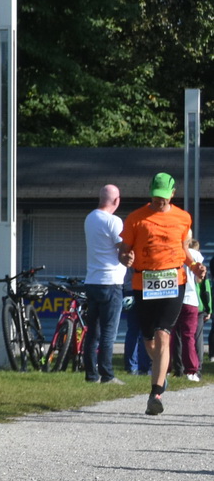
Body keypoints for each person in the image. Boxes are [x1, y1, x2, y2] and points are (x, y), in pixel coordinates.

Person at [118, 173, 197, 415]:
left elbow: (183, 248)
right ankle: (161, 370)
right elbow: (123, 250)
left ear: (172, 194)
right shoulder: (135, 218)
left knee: (164, 335)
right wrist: (126, 258)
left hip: (174, 281)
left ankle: (156, 393)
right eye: (155, 197)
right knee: (149, 339)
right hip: (144, 282)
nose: (159, 202)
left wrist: (194, 266)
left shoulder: (183, 218)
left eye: (163, 198)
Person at [82, 184, 127, 383]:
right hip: (111, 282)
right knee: (109, 332)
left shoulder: (90, 218)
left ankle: (91, 374)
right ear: (116, 201)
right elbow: (122, 249)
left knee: (92, 332)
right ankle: (107, 374)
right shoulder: (114, 221)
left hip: (92, 280)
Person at [171, 238, 205, 382]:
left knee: (171, 336)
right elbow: (200, 278)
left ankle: (170, 368)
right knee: (189, 336)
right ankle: (191, 370)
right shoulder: (195, 255)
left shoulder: (172, 252)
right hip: (190, 298)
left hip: (173, 297)